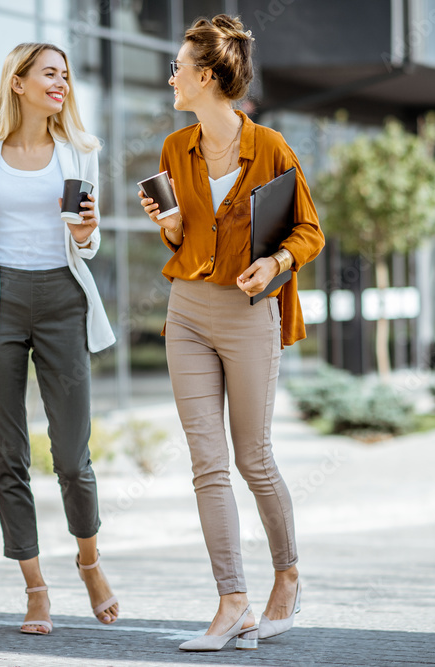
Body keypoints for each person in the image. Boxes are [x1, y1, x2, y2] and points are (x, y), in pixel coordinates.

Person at [138, 14, 324, 652]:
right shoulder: (174, 148)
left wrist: (275, 263)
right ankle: (232, 601)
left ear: (208, 77)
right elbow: (181, 236)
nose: (171, 77)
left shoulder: (270, 147)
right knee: (207, 464)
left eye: (180, 68)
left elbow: (309, 230)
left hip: (248, 317)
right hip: (187, 310)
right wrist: (165, 224)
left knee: (254, 458)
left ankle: (288, 575)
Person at [0, 42, 118, 635]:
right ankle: (36, 589)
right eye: (50, 73)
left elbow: (85, 243)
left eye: (66, 74)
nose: (61, 83)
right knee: (10, 457)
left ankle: (89, 561)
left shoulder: (80, 152)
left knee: (72, 456)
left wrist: (88, 231)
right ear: (18, 82)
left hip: (63, 300)